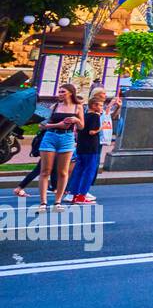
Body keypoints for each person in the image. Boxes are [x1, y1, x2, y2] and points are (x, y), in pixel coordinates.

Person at [34, 83, 83, 212]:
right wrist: (58, 124)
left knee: (63, 171)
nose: (60, 94)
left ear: (71, 93)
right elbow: (42, 125)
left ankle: (57, 202)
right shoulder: (54, 106)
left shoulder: (78, 107)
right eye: (59, 92)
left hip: (67, 139)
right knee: (45, 170)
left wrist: (76, 120)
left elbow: (82, 126)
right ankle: (43, 202)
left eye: (63, 92)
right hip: (50, 137)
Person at [67, 89, 107, 204]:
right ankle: (82, 195)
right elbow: (92, 132)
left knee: (79, 170)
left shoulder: (84, 115)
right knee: (89, 171)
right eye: (100, 105)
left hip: (81, 147)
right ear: (94, 106)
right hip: (91, 147)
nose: (101, 108)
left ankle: (74, 194)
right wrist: (101, 127)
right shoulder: (95, 116)